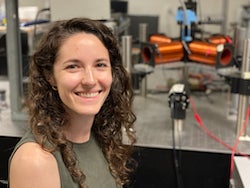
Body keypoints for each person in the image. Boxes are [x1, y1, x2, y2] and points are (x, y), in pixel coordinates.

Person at [9, 17, 137, 188]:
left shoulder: (99, 138)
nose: (90, 80)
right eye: (73, 66)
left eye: (100, 64)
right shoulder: (36, 161)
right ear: (51, 77)